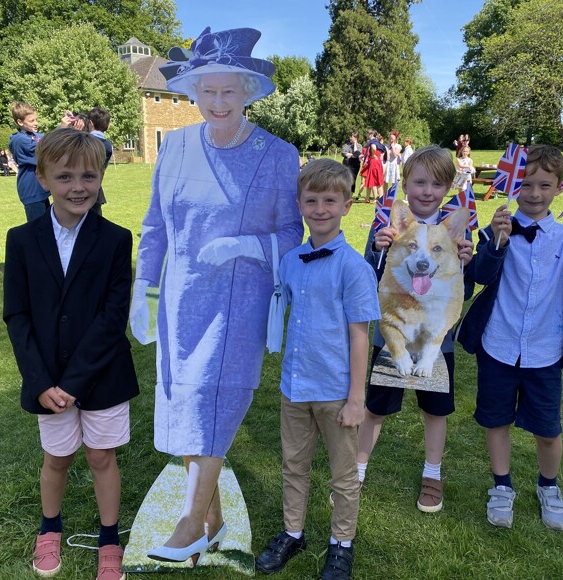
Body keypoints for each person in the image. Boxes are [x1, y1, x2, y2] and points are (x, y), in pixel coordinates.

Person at [130, 26, 303, 566]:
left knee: (216, 404)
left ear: (248, 91)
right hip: (181, 300)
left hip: (239, 304)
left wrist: (246, 245)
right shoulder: (176, 146)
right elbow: (155, 225)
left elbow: (292, 233)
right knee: (187, 404)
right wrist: (143, 287)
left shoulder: (277, 154)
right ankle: (214, 519)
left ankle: (189, 523)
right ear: (194, 91)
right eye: (209, 90)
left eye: (230, 90)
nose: (219, 101)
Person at [456, 144, 563, 531]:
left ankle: (549, 486)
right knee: (496, 420)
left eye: (544, 185)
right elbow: (480, 274)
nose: (534, 193)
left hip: (545, 350)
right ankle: (502, 485)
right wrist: (497, 244)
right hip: (498, 346)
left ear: (559, 188)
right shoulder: (496, 229)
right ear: (514, 185)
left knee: (547, 429)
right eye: (526, 184)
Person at [3, 128, 139, 579]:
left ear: (100, 178)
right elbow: (17, 314)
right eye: (64, 177)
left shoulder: (116, 239)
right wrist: (41, 382)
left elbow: (112, 316)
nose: (78, 187)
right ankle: (49, 529)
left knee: (102, 456)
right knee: (57, 458)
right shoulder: (21, 240)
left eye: (88, 176)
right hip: (47, 378)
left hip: (102, 373)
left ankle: (109, 538)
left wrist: (74, 383)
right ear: (42, 179)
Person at [255, 158, 380, 580]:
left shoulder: (355, 269)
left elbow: (360, 336)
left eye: (330, 200)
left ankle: (342, 542)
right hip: (295, 385)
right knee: (294, 464)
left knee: (343, 475)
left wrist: (356, 399)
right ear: (300, 205)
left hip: (336, 391)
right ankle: (293, 532)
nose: (320, 209)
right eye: (311, 200)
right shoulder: (291, 261)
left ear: (347, 205)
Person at [357, 145, 474, 513]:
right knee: (375, 408)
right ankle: (355, 471)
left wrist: (468, 262)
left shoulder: (454, 233)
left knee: (435, 411)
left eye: (437, 184)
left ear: (448, 187)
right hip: (392, 337)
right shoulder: (390, 228)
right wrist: (376, 251)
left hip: (436, 342)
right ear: (405, 185)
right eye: (420, 182)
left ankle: (432, 474)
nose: (427, 191)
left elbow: (465, 290)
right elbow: (367, 280)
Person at [9, 101, 51, 222]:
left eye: (36, 119)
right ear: (20, 122)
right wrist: (61, 129)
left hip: (41, 190)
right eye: (32, 121)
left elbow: (51, 140)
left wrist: (66, 129)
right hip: (32, 191)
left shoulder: (35, 136)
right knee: (38, 228)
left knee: (48, 226)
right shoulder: (19, 140)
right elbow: (43, 149)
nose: (36, 123)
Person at [341, 132, 362, 197]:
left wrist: (355, 144)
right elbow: (343, 153)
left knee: (353, 179)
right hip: (346, 164)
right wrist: (352, 155)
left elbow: (356, 154)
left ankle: (350, 196)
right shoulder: (346, 145)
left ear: (355, 138)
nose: (350, 138)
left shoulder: (359, 146)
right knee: (344, 179)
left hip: (355, 165)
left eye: (351, 137)